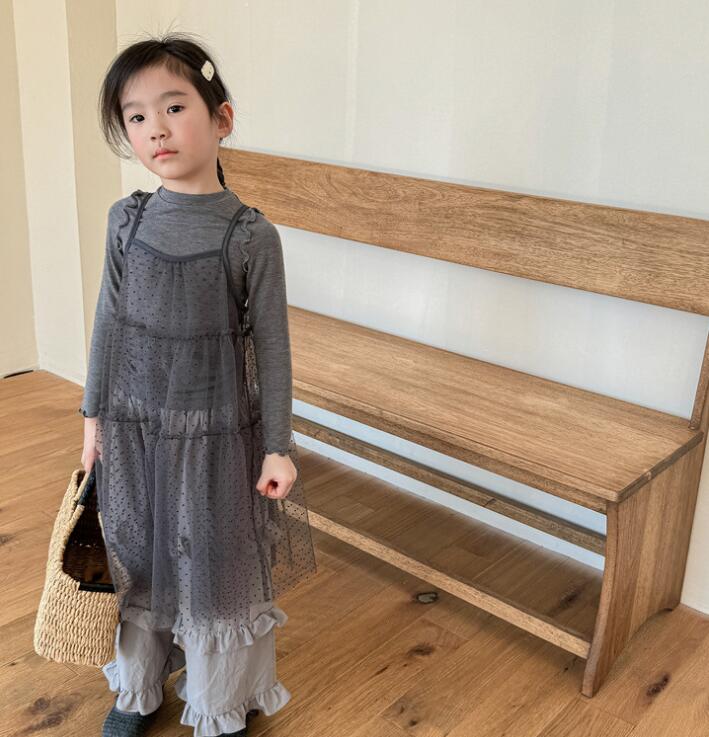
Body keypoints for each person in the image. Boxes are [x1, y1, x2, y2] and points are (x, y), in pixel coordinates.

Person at [79, 31, 318, 737]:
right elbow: (107, 323)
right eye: (136, 116)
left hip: (216, 437)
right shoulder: (127, 221)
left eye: (174, 107)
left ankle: (218, 698)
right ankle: (138, 687)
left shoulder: (250, 236)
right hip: (134, 429)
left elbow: (272, 347)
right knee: (137, 553)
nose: (155, 128)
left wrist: (278, 446)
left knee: (214, 564)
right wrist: (92, 419)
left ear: (222, 119)